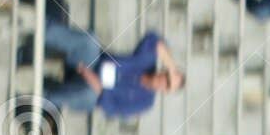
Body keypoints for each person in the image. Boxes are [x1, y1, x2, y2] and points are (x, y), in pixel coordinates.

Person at [40, 21, 183, 118]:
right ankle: (39, 27)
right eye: (167, 77)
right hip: (95, 63)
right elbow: (154, 40)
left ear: (166, 91)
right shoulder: (147, 61)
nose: (164, 81)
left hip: (94, 90)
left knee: (89, 95)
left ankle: (39, 95)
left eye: (168, 85)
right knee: (90, 42)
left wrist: (88, 75)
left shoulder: (145, 102)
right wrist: (172, 66)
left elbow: (111, 106)